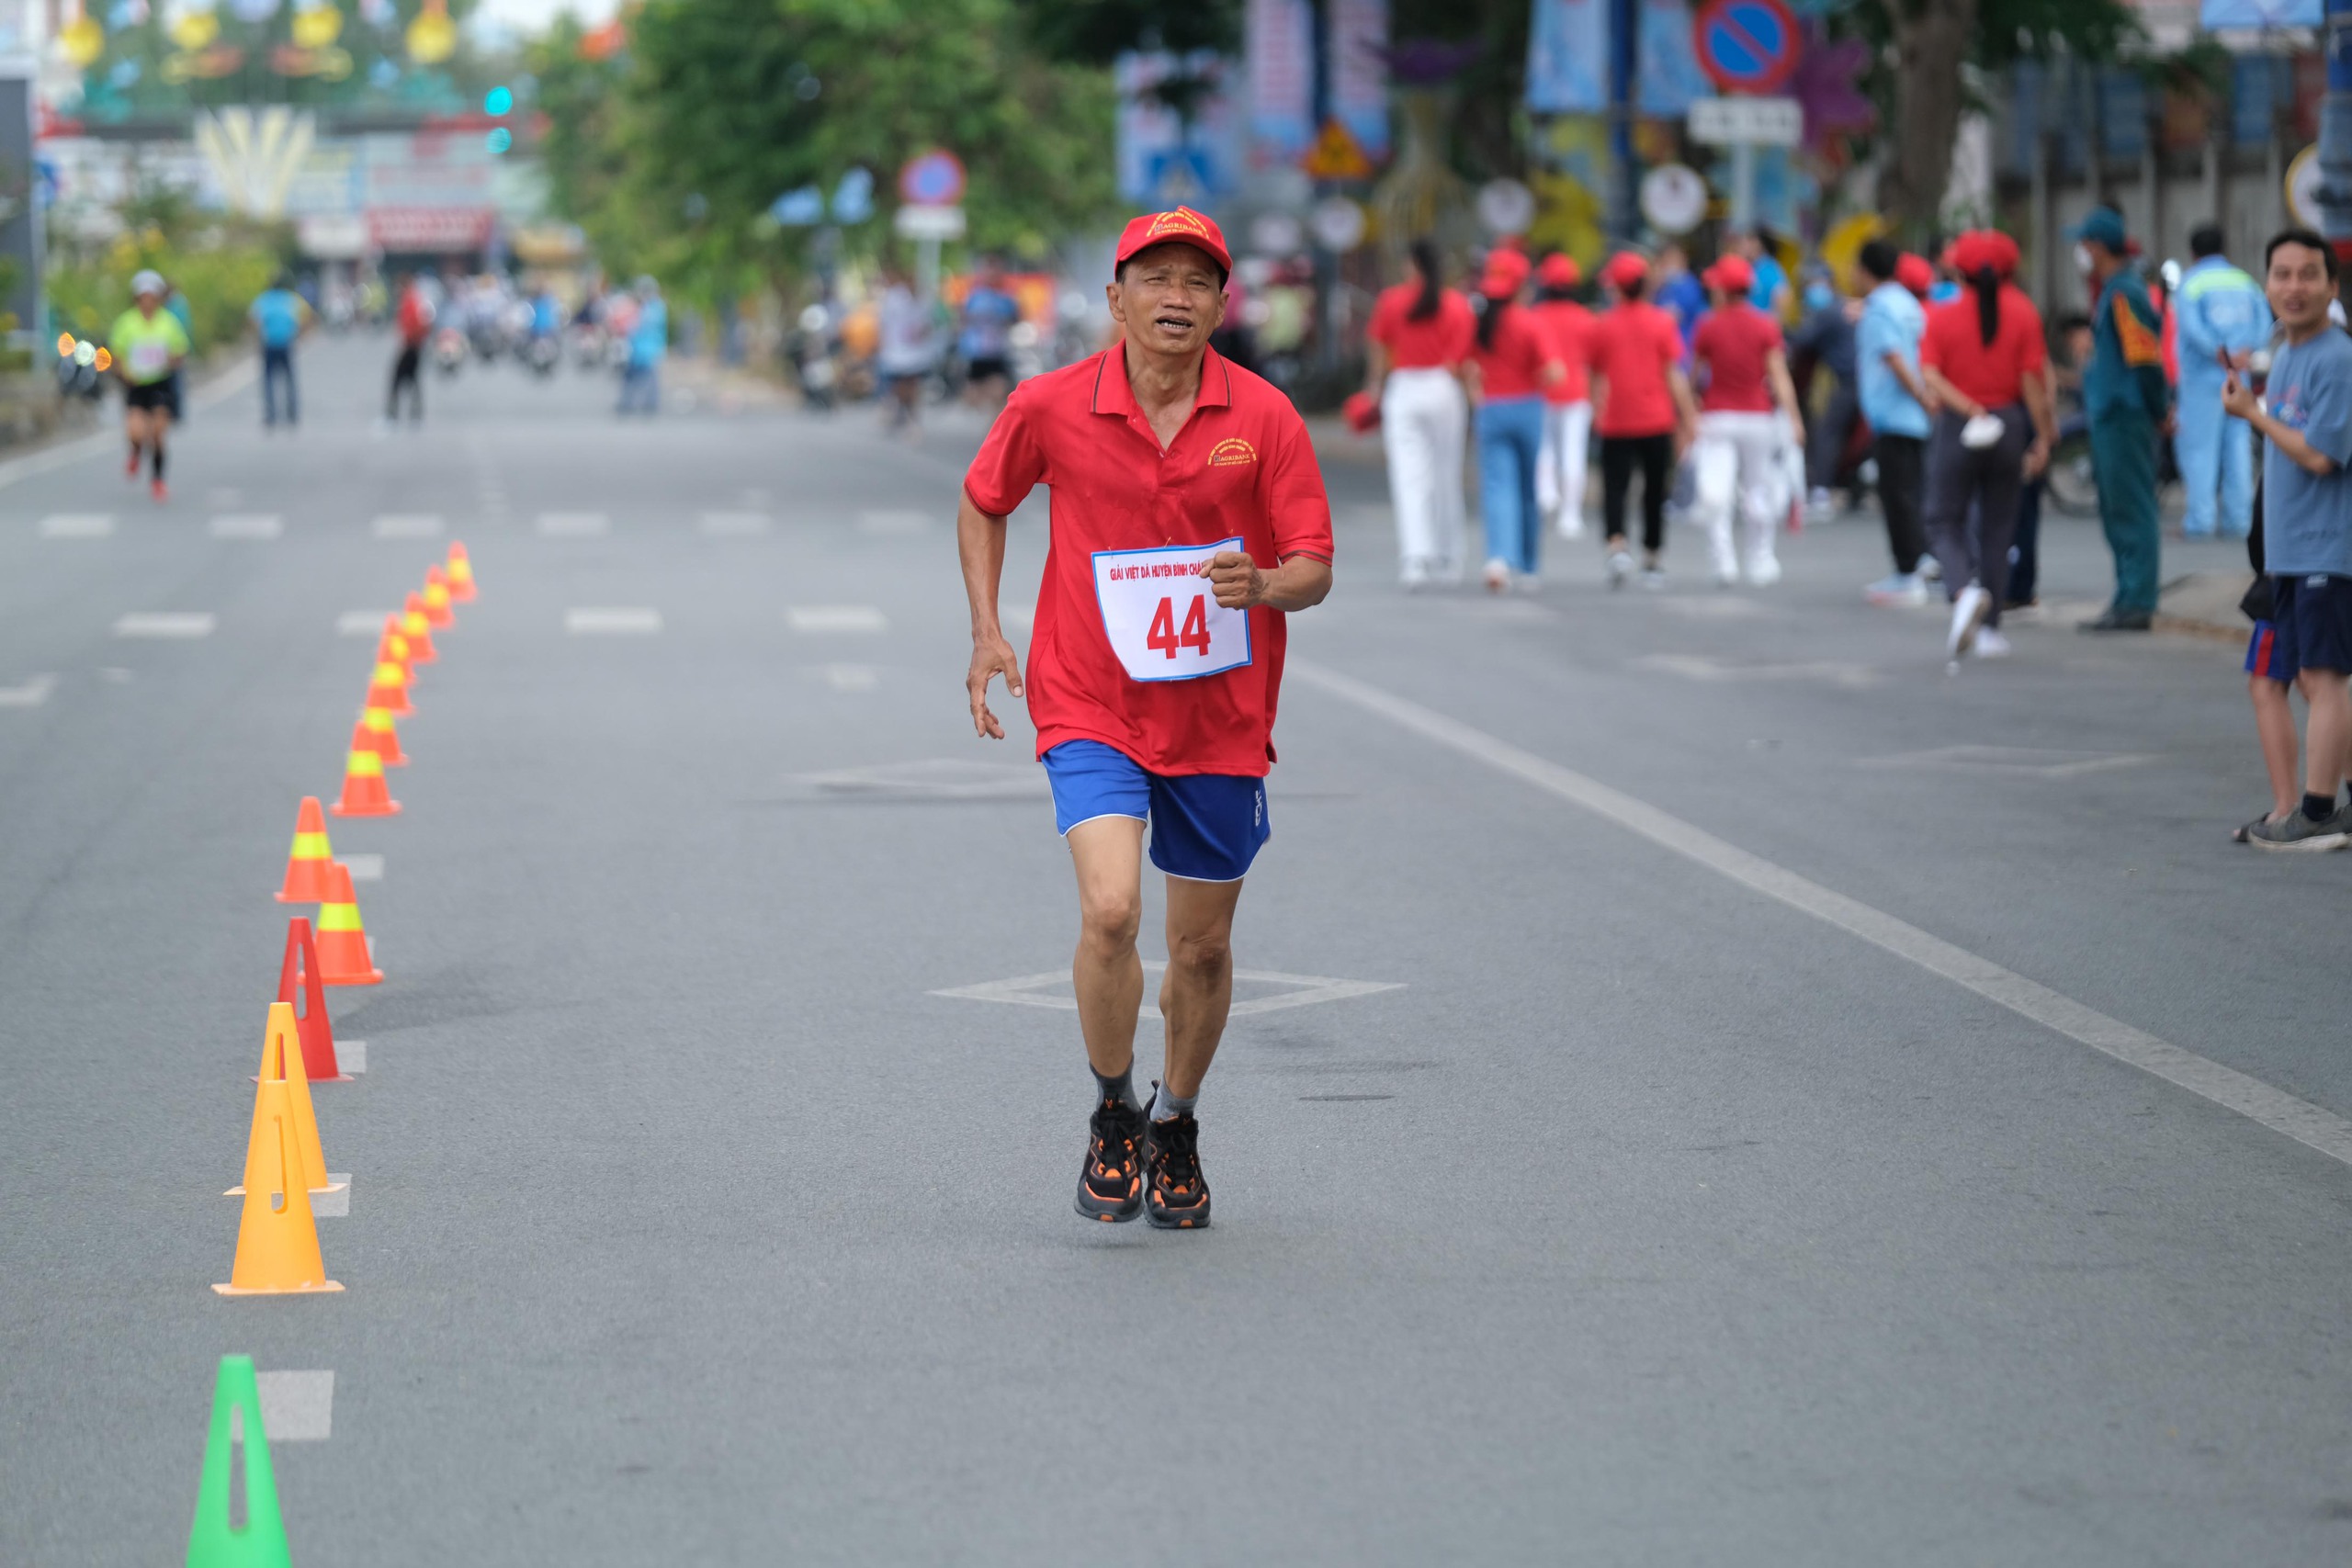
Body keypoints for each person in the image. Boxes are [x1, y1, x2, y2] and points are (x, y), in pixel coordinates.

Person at [956, 207, 1334, 1226]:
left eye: (1198, 282)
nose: (1177, 296)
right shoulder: (1049, 404)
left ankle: (1179, 1121)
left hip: (1217, 715)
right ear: (1116, 299)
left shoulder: (1264, 418)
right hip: (1088, 699)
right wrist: (990, 629)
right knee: (1112, 912)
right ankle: (1115, 1108)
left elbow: (1312, 570)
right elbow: (985, 497)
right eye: (1155, 278)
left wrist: (1261, 584)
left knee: (1202, 950)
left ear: (1220, 305)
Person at [2222, 228, 2352, 849]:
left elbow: (2322, 456)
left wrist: (2253, 414)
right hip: (2293, 551)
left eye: (2308, 274)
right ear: (2267, 284)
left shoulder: (2336, 358)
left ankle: (2320, 812)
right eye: (2282, 274)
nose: (2293, 287)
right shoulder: (2290, 354)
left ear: (2331, 284)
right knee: (2306, 676)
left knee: (2323, 677)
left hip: (2328, 545)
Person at [1917, 231, 2055, 661]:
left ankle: (1962, 591)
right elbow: (2033, 382)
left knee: (1943, 517)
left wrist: (1968, 407)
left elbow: (1931, 373)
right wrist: (2045, 437)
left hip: (1960, 425)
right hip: (2010, 424)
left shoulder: (1943, 315)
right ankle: (1990, 629)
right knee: (1999, 528)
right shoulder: (2024, 313)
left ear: (1958, 270)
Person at [2073, 208, 2172, 632]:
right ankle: (2127, 596)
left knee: (2132, 507)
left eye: (2084, 244)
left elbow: (2145, 358)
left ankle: (2137, 600)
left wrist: (2159, 408)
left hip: (2125, 414)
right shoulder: (2115, 290)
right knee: (2118, 507)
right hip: (2112, 412)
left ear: (2096, 247)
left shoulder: (2123, 294)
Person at [1687, 254, 1804, 587]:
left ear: (1722, 290)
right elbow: (1779, 376)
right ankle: (1761, 558)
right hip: (1758, 418)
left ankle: (1723, 560)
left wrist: (1689, 411)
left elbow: (1695, 376)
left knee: (1716, 493)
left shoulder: (1707, 325)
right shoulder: (1766, 325)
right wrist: (1794, 419)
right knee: (1758, 491)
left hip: (1717, 417)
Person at [1363, 237, 1474, 587]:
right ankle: (1449, 556)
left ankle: (1416, 558)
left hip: (1405, 387)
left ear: (1413, 264)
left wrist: (1374, 388)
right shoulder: (1456, 304)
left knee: (1410, 477)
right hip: (1442, 385)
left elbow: (1379, 347)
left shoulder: (1392, 301)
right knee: (1446, 475)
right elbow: (1462, 357)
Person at [1588, 251, 1698, 590]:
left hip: (1617, 420)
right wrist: (1689, 416)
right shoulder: (1662, 322)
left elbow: (1596, 376)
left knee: (1616, 488)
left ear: (1616, 288)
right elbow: (1674, 375)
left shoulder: (1603, 324)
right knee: (1654, 491)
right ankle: (1652, 558)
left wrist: (1596, 409)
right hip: (1655, 419)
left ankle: (1617, 544)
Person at [1466, 249, 1565, 591]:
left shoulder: (1480, 322)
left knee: (1497, 485)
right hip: (1527, 409)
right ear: (1522, 285)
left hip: (1491, 409)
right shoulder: (1531, 322)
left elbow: (1464, 366)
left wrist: (1476, 394)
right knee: (1527, 489)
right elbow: (1554, 371)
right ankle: (1528, 565)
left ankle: (1498, 557)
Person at [2175, 222, 2269, 539]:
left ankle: (2200, 521)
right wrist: (2244, 353)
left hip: (2203, 379)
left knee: (2200, 449)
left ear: (2192, 252)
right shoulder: (2244, 280)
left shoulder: (2191, 283)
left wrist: (2220, 352)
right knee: (2237, 447)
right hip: (2239, 377)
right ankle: (2238, 520)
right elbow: (2265, 321)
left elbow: (2191, 328)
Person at [1855, 240, 1934, 604]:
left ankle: (1908, 573)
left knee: (1898, 497)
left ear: (1865, 270)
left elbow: (1893, 356)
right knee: (1914, 492)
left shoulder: (1879, 309)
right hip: (1916, 416)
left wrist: (1919, 392)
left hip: (1893, 412)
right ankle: (1922, 560)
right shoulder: (1909, 305)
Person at [1530, 252, 1595, 540]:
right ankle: (1571, 514)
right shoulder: (1585, 319)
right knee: (1573, 453)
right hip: (1576, 393)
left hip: (1542, 390)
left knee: (1544, 450)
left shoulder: (1534, 317)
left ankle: (1545, 496)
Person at [110, 269, 189, 502]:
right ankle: (135, 452)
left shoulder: (168, 322)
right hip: (136, 385)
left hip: (160, 383)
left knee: (157, 434)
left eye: (152, 296)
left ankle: (158, 480)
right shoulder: (126, 322)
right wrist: (123, 372)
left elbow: (180, 350)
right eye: (143, 296)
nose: (148, 301)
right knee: (136, 433)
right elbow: (116, 353)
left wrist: (170, 360)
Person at [1790, 265, 1860, 514]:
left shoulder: (1827, 312)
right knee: (1848, 435)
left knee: (1828, 432)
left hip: (1849, 380)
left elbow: (1802, 340)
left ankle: (1820, 488)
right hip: (1858, 379)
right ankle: (1849, 485)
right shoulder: (1842, 307)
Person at [958, 257, 1023, 409]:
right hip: (976, 352)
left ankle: (995, 427)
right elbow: (963, 318)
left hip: (997, 351)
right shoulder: (974, 296)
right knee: (973, 396)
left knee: (999, 391)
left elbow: (1016, 318)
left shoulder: (1006, 297)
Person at [875, 267, 933, 433]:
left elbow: (927, 326)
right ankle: (901, 410)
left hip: (915, 353)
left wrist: (922, 333)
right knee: (899, 385)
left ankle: (912, 417)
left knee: (912, 384)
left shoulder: (923, 301)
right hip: (896, 352)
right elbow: (884, 323)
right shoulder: (894, 298)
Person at [249, 273, 309, 428]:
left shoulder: (264, 299)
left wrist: (259, 337)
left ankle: (271, 415)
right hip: (286, 343)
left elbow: (254, 320)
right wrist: (297, 336)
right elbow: (304, 318)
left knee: (269, 380)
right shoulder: (291, 299)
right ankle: (292, 414)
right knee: (289, 380)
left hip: (269, 344)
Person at [616, 276, 668, 415]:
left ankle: (649, 404)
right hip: (637, 348)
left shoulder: (655, 307)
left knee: (650, 378)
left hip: (649, 348)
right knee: (631, 377)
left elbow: (641, 325)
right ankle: (627, 403)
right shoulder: (644, 307)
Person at [388, 274, 431, 423]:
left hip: (411, 346)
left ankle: (393, 415)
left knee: (397, 380)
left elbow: (419, 324)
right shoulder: (415, 300)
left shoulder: (411, 301)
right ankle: (415, 414)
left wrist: (411, 340)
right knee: (413, 381)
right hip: (414, 346)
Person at [1653, 242, 1707, 351]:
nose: (1671, 264)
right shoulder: (1660, 287)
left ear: (1683, 261)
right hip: (1664, 346)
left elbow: (1677, 315)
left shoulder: (1690, 285)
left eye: (1674, 259)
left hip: (1685, 345)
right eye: (1667, 260)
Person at [1734, 227, 1793, 319]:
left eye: (1743, 242)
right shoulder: (1748, 267)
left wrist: (1768, 323)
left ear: (1756, 243)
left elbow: (1783, 298)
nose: (1740, 247)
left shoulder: (1768, 268)